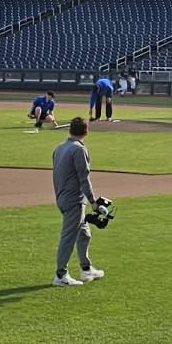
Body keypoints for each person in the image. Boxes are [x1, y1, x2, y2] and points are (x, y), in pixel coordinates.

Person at [53, 118, 104, 287]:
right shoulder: (79, 150)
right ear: (86, 131)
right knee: (68, 237)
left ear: (70, 131)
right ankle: (61, 275)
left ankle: (86, 268)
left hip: (63, 198)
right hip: (74, 200)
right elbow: (84, 178)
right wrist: (93, 202)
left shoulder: (59, 148)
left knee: (84, 234)